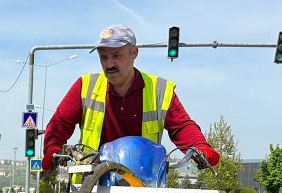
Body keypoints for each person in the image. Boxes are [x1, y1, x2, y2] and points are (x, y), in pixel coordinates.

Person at [41, 25, 220, 172]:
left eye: (116, 55)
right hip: (92, 179)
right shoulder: (85, 86)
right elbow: (60, 123)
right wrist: (53, 149)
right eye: (103, 57)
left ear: (134, 53)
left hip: (143, 180)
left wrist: (201, 148)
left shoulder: (159, 90)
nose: (109, 64)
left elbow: (182, 126)